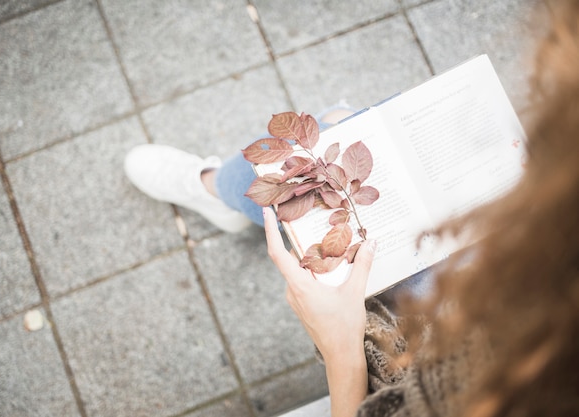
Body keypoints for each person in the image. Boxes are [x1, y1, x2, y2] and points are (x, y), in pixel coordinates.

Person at [125, 1, 579, 415]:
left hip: (422, 364)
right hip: (529, 281)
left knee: (303, 164)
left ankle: (217, 189)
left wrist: (340, 345)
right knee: (341, 136)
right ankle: (230, 188)